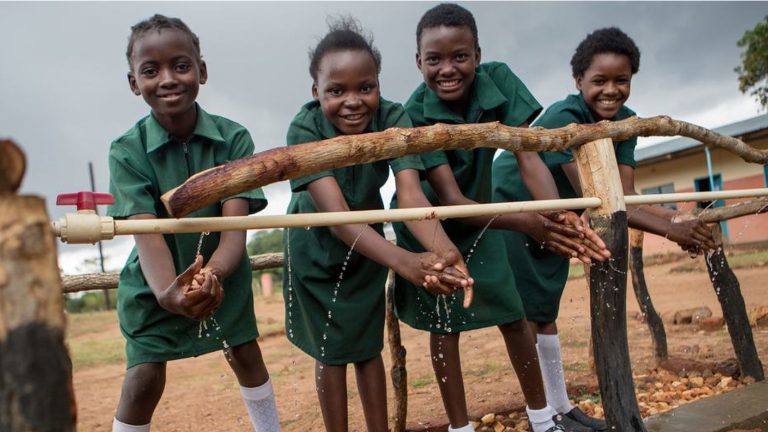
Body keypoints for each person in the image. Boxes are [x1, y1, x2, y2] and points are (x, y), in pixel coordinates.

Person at [393, 4, 611, 432]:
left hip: (485, 215)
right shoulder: (412, 113)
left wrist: (556, 213)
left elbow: (527, 155)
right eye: (434, 59)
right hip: (432, 222)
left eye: (460, 56)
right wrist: (529, 222)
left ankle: (543, 419)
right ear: (418, 62)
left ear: (477, 53)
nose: (448, 69)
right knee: (446, 322)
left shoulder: (500, 81)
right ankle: (460, 428)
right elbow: (449, 195)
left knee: (513, 314)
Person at [492, 27, 717, 431]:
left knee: (545, 309)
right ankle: (540, 417)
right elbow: (596, 196)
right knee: (527, 308)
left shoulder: (625, 123)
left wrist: (678, 219)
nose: (611, 90)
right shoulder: (566, 115)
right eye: (599, 81)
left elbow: (625, 193)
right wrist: (670, 231)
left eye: (621, 80)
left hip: (565, 214)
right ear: (578, 81)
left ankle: (562, 408)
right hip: (521, 207)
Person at [282, 16, 473, 432]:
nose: (353, 101)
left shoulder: (394, 118)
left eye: (364, 88)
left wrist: (445, 251)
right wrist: (404, 262)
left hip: (368, 247)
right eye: (337, 91)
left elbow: (411, 196)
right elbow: (337, 220)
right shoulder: (304, 127)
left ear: (378, 85)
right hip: (317, 249)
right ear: (317, 93)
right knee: (331, 351)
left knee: (368, 348)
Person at [107, 14, 280, 432]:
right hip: (156, 281)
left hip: (224, 273)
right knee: (144, 376)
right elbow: (146, 236)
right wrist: (169, 293)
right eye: (150, 71)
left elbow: (234, 232)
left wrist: (212, 277)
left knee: (245, 355)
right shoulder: (126, 152)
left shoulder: (234, 139)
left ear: (201, 70)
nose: (167, 79)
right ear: (133, 82)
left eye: (181, 66)